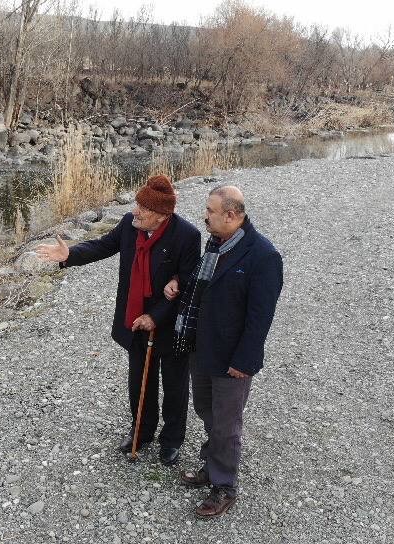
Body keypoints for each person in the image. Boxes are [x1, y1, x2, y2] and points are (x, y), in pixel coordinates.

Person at [36, 175, 201, 465]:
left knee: (175, 385)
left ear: (163, 215)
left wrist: (156, 315)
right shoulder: (129, 224)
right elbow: (102, 246)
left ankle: (172, 440)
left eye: (143, 208)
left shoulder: (187, 236)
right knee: (139, 382)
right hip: (134, 319)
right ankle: (142, 431)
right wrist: (69, 254)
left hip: (170, 325)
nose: (135, 211)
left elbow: (188, 285)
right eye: (136, 204)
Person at [164, 185, 283, 519]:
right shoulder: (216, 244)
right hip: (202, 348)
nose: (205, 216)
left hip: (232, 358)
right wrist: (178, 282)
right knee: (206, 409)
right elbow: (204, 289)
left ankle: (224, 485)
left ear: (231, 216)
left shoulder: (263, 256)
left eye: (210, 211)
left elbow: (261, 318)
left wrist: (245, 361)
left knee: (227, 424)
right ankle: (213, 462)